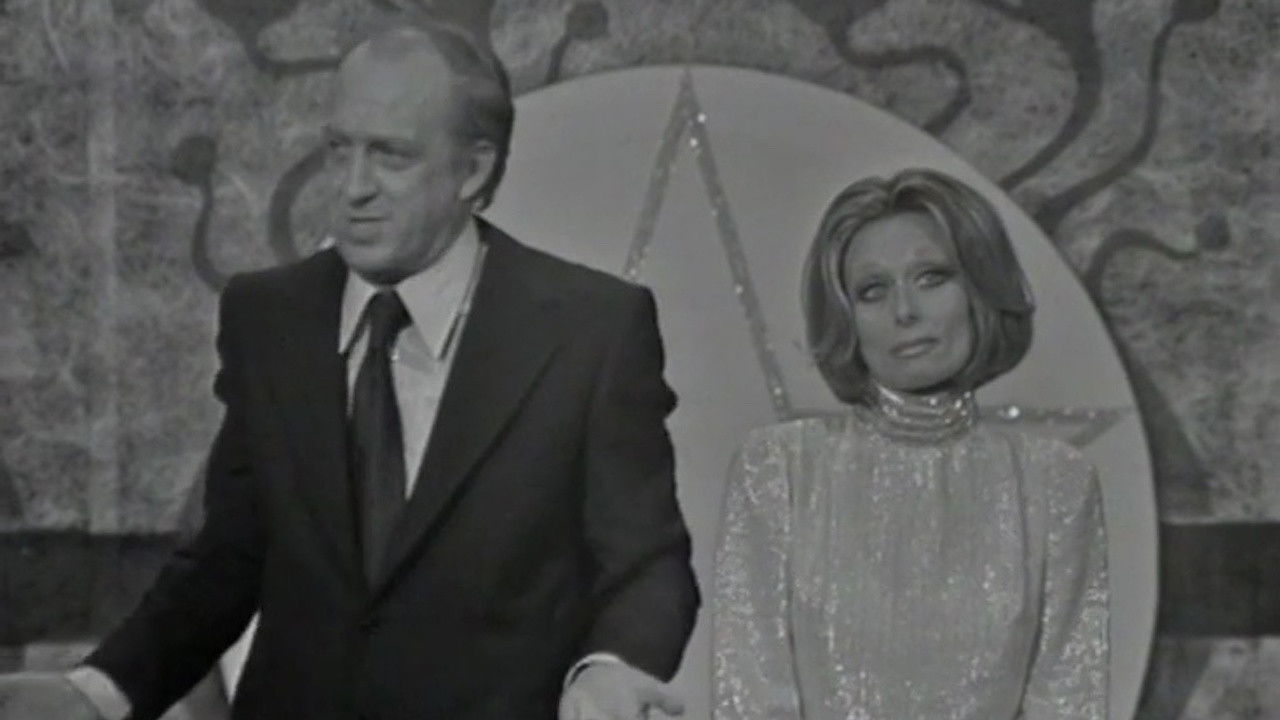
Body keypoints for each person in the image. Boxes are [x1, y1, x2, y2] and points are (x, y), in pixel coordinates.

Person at [0, 17, 698, 720]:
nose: (354, 187)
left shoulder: (589, 332)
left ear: (474, 170)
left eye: (391, 156)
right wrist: (96, 695)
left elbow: (647, 565)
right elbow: (227, 562)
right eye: (340, 150)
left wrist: (609, 672)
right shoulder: (267, 319)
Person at [712, 169, 1108, 719]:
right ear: (845, 317)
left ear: (980, 291)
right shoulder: (779, 469)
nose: (905, 311)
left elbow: (1067, 704)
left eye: (932, 277)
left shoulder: (1056, 481)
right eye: (873, 291)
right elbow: (751, 702)